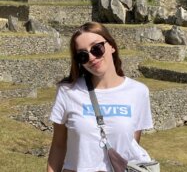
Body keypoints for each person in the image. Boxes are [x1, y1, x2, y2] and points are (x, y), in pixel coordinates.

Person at [47, 22, 153, 172]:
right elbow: (58, 145)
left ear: (111, 46)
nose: (91, 57)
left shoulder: (138, 92)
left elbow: (130, 147)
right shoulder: (68, 91)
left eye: (97, 48)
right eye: (83, 55)